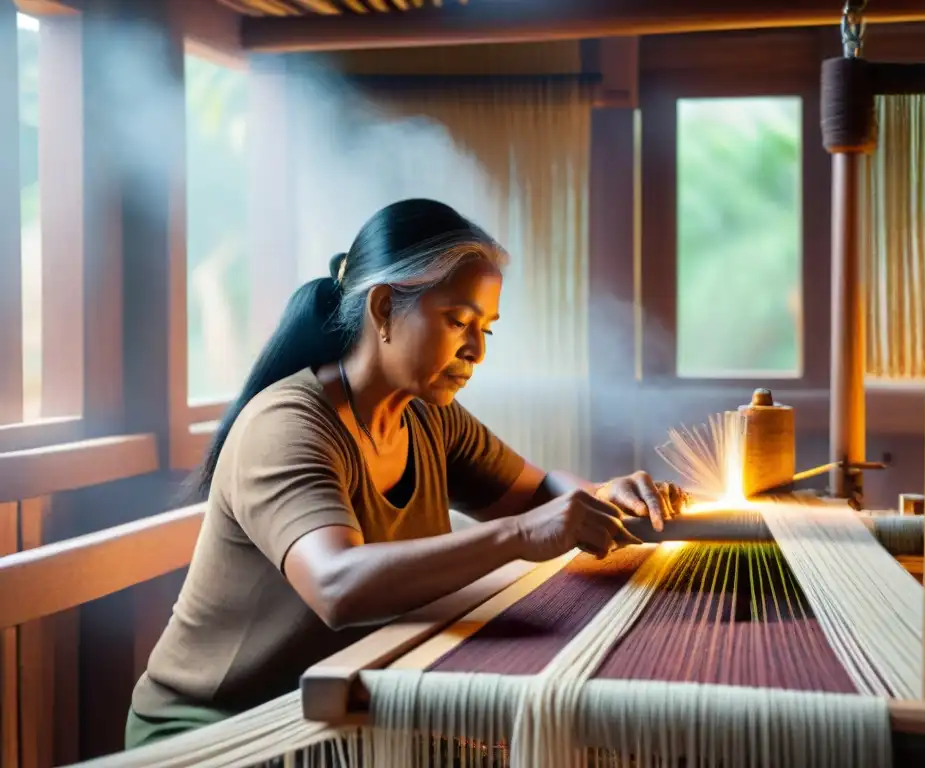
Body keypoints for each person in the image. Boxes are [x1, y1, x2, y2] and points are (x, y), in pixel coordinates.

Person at [125, 199, 688, 748]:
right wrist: (523, 535)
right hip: (216, 734)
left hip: (336, 713)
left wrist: (600, 496)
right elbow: (336, 585)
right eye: (458, 321)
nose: (476, 352)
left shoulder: (428, 418)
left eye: (486, 330)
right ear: (384, 309)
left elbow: (538, 494)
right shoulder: (288, 425)